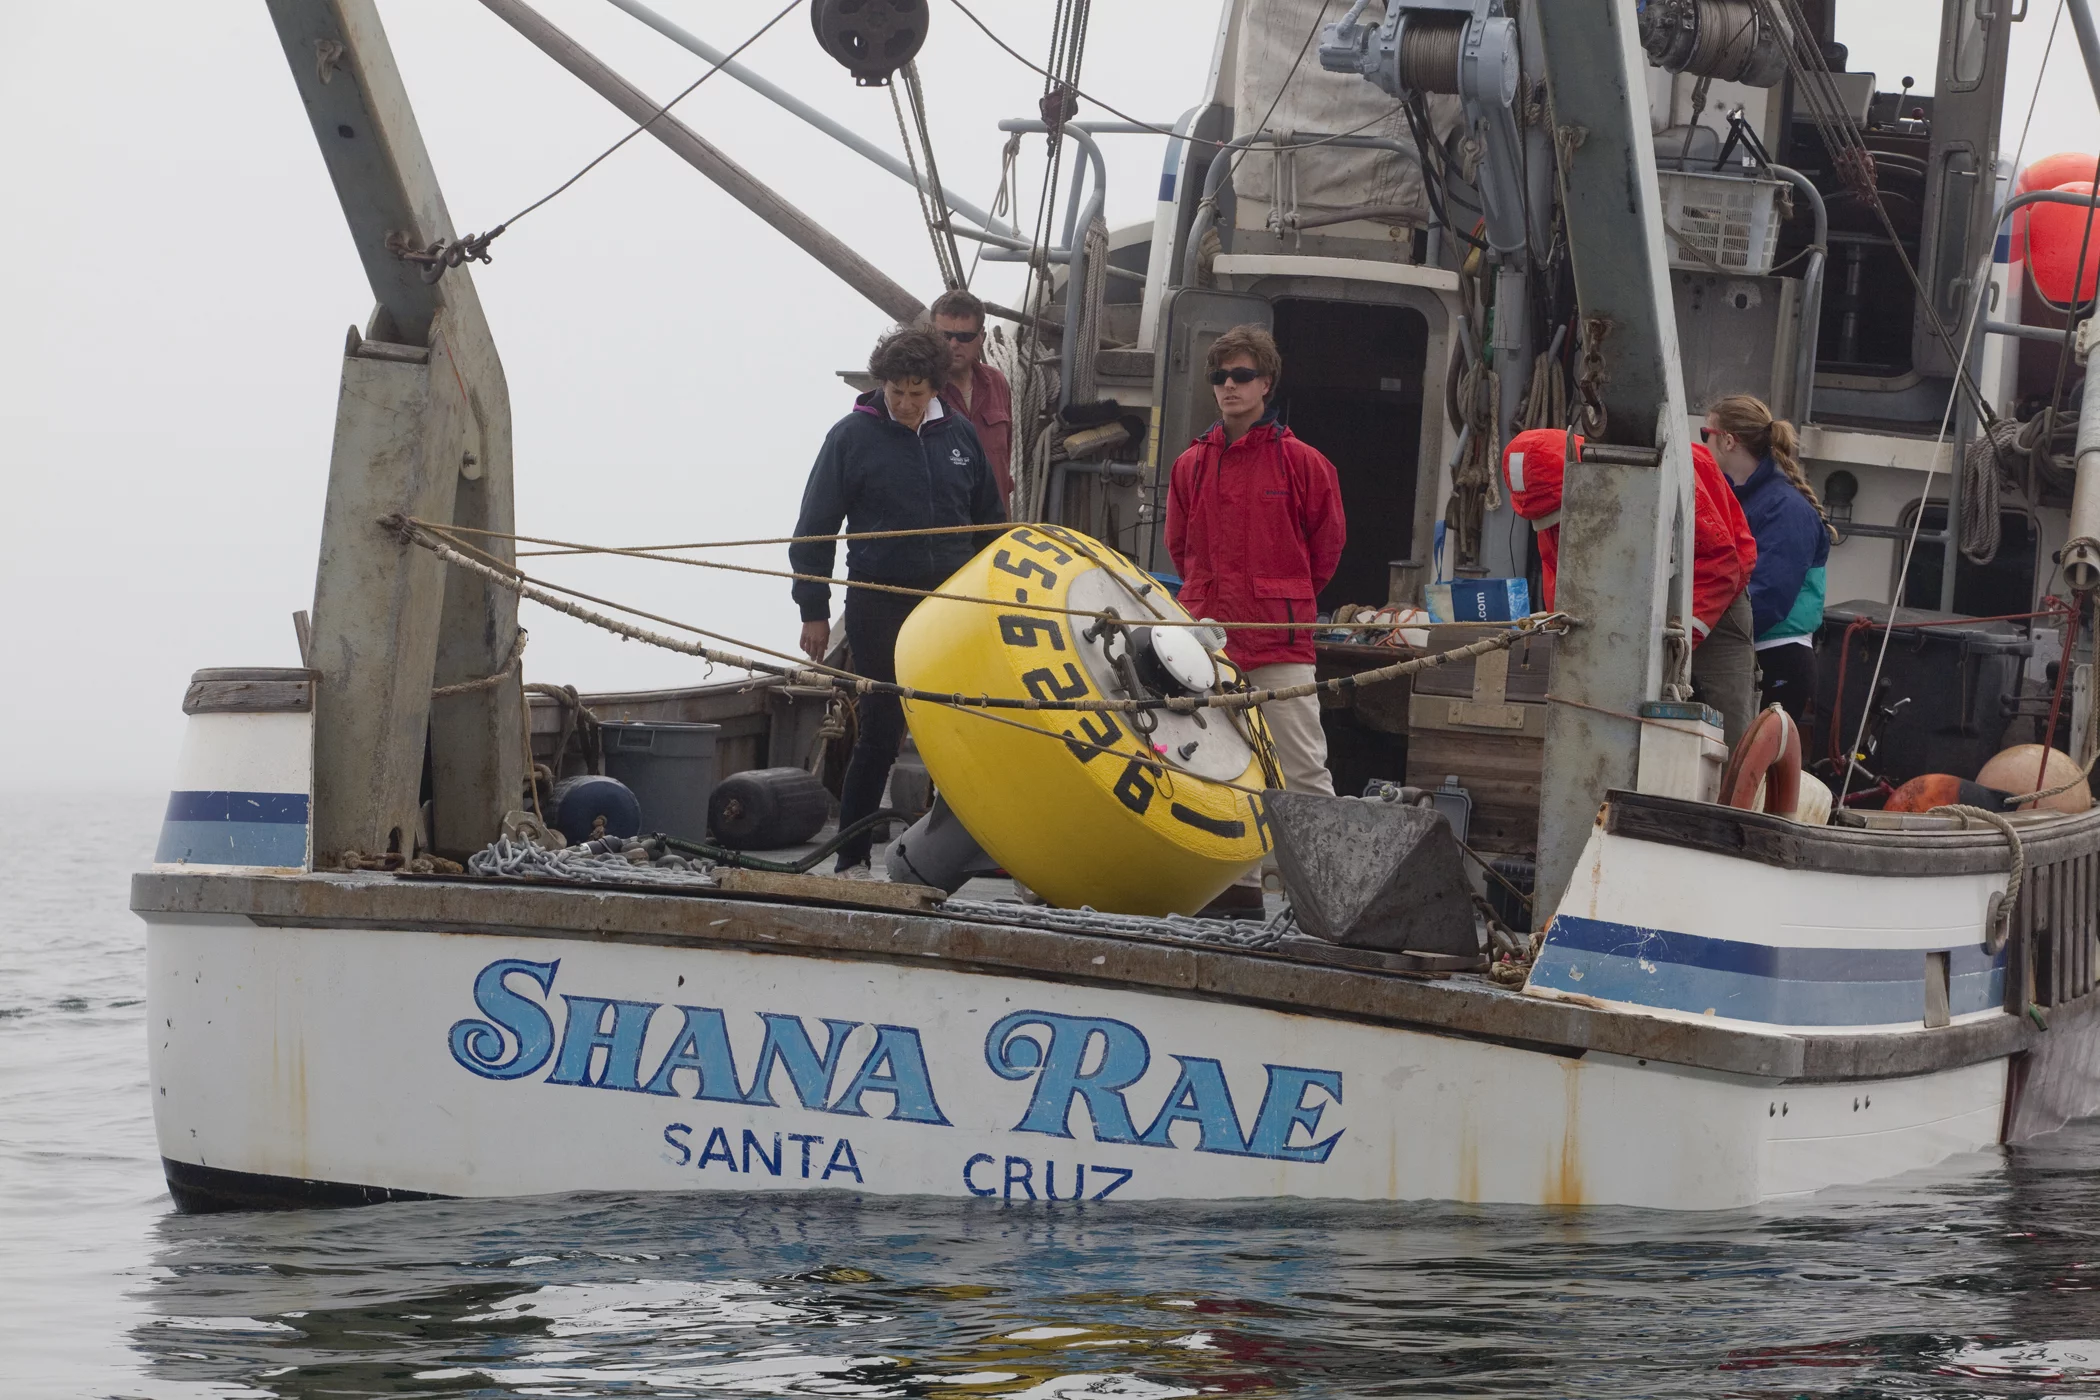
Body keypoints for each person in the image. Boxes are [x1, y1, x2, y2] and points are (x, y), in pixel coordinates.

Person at [791, 325, 1005, 874]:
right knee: (881, 730)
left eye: (917, 391)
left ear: (936, 387)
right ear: (882, 385)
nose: (907, 403)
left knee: (957, 729)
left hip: (951, 608)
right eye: (896, 392)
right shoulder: (849, 438)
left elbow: (990, 529)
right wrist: (813, 611)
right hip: (878, 601)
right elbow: (814, 530)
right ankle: (851, 860)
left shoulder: (960, 438)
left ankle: (953, 854)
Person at [1166, 325, 1346, 796]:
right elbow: (1180, 546)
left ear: (1265, 383)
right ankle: (1240, 874)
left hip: (1279, 648)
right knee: (1206, 774)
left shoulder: (1303, 463)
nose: (1229, 385)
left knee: (1303, 774)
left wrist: (1282, 599)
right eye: (1219, 375)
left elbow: (1326, 549)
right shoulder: (1190, 465)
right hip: (1206, 646)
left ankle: (1310, 873)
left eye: (1242, 375)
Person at [1500, 429, 1759, 744]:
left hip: (1717, 603)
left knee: (1726, 734)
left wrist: (1670, 643)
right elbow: (1559, 570)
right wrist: (1574, 635)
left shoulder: (1677, 471)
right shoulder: (1550, 498)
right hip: (1632, 603)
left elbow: (1720, 563)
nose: (1557, 526)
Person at [1703, 394, 1835, 724]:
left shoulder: (1785, 509)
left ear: (1728, 441)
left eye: (1706, 434)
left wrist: (1703, 633)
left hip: (1775, 659)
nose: (1703, 444)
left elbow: (1769, 595)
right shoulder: (1747, 500)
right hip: (1744, 655)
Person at [931, 288, 1015, 509]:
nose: (953, 344)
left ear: (982, 338)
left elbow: (1005, 458)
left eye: (965, 337)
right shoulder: (920, 391)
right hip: (944, 530)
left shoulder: (997, 383)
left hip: (993, 527)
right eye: (945, 336)